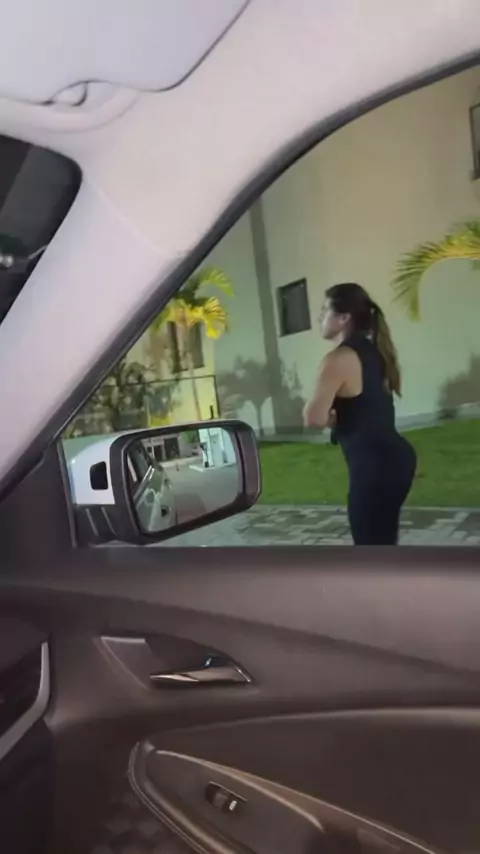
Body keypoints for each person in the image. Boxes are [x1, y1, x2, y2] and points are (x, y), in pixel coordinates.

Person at [303, 282, 416, 545]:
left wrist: (330, 418)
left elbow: (313, 418)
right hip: (395, 460)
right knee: (383, 544)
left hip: (373, 468)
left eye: (325, 311)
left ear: (343, 317)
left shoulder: (338, 359)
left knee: (369, 548)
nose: (320, 317)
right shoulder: (375, 352)